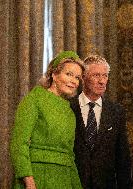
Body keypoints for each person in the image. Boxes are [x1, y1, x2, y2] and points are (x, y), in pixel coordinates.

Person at [10, 51, 84, 189]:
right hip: (37, 175)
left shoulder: (69, 111)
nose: (74, 81)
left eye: (78, 78)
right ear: (54, 75)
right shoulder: (35, 98)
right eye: (69, 74)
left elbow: (69, 155)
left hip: (64, 178)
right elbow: (19, 143)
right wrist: (29, 180)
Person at [70, 55, 132, 189]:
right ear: (83, 77)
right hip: (73, 182)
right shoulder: (68, 107)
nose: (102, 81)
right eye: (96, 75)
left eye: (105, 76)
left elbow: (123, 157)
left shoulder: (116, 111)